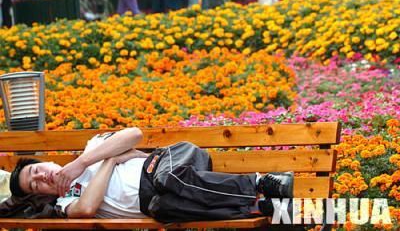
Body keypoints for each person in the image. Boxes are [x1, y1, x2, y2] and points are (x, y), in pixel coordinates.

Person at [9, 127, 294, 222]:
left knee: (166, 180)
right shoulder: (65, 203)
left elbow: (135, 134)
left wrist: (84, 162)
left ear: (44, 162)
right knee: (165, 206)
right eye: (35, 184)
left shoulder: (93, 146)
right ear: (41, 195)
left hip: (170, 160)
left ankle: (259, 182)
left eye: (36, 170)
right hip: (159, 198)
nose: (41, 178)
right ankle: (273, 208)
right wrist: (112, 161)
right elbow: (88, 208)